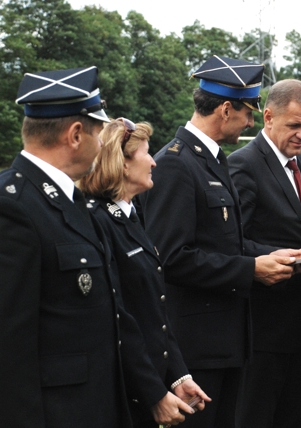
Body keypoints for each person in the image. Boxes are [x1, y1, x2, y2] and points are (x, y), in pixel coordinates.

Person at [138, 56, 300, 428]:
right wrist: (250, 269)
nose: (250, 122)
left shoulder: (212, 161)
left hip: (226, 344)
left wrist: (272, 256)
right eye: (247, 113)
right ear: (226, 109)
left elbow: (226, 242)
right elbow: (171, 257)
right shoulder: (178, 165)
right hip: (196, 349)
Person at [0, 66, 132, 427]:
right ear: (76, 134)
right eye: (99, 131)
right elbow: (1, 354)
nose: (102, 143)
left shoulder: (72, 200)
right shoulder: (8, 208)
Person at [228, 79, 301, 428]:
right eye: (295, 125)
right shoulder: (244, 165)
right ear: (268, 117)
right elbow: (233, 242)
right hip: (261, 328)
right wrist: (296, 262)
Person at [78, 118, 211, 427]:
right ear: (123, 164)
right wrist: (152, 393)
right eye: (146, 153)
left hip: (145, 382)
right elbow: (118, 318)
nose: (154, 161)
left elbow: (154, 308)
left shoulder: (130, 215)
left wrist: (178, 374)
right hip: (124, 391)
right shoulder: (98, 222)